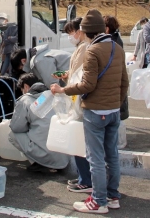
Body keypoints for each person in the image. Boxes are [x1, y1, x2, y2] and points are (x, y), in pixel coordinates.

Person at [51, 9, 128, 214]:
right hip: (113, 111)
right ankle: (112, 196)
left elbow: (87, 85)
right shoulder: (117, 47)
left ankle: (98, 201)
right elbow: (124, 83)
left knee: (95, 158)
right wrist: (116, 104)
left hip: (95, 111)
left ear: (86, 32)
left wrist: (62, 89)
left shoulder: (93, 51)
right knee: (111, 155)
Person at [57, 18, 94, 193]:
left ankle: (86, 180)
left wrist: (63, 89)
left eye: (72, 32)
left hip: (78, 98)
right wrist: (67, 74)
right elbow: (76, 72)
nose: (71, 36)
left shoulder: (86, 47)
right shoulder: (81, 47)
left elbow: (80, 76)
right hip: (76, 97)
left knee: (79, 140)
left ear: (80, 31)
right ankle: (83, 176)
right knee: (80, 139)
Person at [8, 73, 69, 172]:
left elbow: (16, 127)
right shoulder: (55, 96)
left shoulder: (26, 100)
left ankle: (40, 163)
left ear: (26, 87)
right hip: (64, 154)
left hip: (46, 153)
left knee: (13, 135)